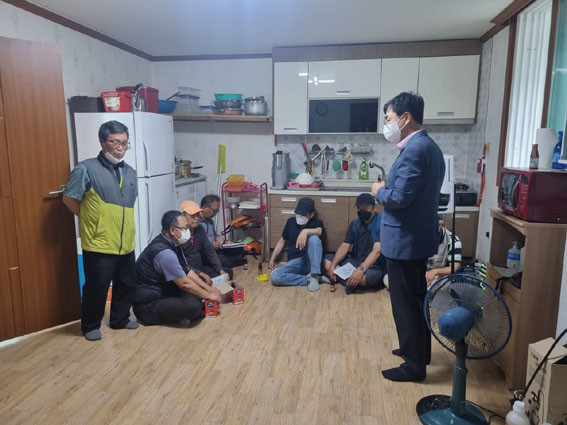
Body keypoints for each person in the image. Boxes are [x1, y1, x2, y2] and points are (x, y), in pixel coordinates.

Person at [371, 92, 445, 382]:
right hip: (416, 238)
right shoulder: (429, 146)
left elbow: (399, 198)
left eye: (388, 118)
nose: (387, 124)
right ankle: (418, 352)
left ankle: (413, 367)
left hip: (405, 241)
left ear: (406, 118)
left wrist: (379, 191)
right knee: (416, 299)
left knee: (405, 305)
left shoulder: (415, 149)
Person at [62, 120, 139, 341]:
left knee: (126, 283)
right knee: (97, 286)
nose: (120, 147)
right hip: (99, 242)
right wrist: (92, 221)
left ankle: (120, 319)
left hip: (126, 241)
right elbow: (69, 199)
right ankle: (90, 326)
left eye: (124, 142)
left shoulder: (130, 172)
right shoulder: (85, 169)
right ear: (102, 142)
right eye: (115, 142)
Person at [133, 211, 221, 326]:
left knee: (201, 281)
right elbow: (183, 283)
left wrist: (208, 289)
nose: (188, 231)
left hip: (165, 291)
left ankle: (188, 310)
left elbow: (187, 270)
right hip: (148, 305)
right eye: (185, 228)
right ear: (173, 230)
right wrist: (209, 295)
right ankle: (190, 312)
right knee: (193, 306)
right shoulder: (164, 253)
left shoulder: (174, 243)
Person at [324, 193, 387, 295]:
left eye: (365, 208)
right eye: (359, 208)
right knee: (326, 260)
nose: (362, 211)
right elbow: (345, 246)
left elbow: (377, 251)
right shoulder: (355, 224)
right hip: (355, 262)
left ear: (374, 208)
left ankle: (347, 279)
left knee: (364, 279)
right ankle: (352, 281)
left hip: (374, 266)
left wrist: (361, 269)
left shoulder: (382, 224)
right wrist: (333, 265)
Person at [269, 197, 325, 292]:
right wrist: (272, 259)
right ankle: (308, 279)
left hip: (309, 261)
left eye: (303, 215)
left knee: (314, 238)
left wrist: (306, 231)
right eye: (298, 214)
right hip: (295, 262)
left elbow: (319, 231)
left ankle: (315, 276)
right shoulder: (291, 222)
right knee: (275, 276)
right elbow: (282, 241)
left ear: (311, 215)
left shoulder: (317, 223)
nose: (299, 217)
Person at [180, 200, 233, 281]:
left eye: (197, 215)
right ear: (183, 217)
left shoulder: (200, 229)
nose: (196, 218)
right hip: (188, 272)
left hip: (200, 268)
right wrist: (199, 273)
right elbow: (181, 264)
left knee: (227, 272)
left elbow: (209, 251)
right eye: (192, 216)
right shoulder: (179, 235)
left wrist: (220, 269)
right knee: (210, 281)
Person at [199, 194, 245, 269]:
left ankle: (236, 260)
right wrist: (210, 244)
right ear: (205, 207)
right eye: (214, 211)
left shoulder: (210, 221)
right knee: (226, 262)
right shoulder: (196, 221)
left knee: (239, 248)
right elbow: (198, 242)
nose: (215, 214)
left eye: (217, 211)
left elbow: (214, 235)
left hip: (215, 248)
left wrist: (224, 241)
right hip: (205, 252)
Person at [426, 215, 462, 286]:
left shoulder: (453, 241)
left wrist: (435, 272)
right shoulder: (416, 237)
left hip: (440, 278)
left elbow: (454, 267)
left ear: (442, 225)